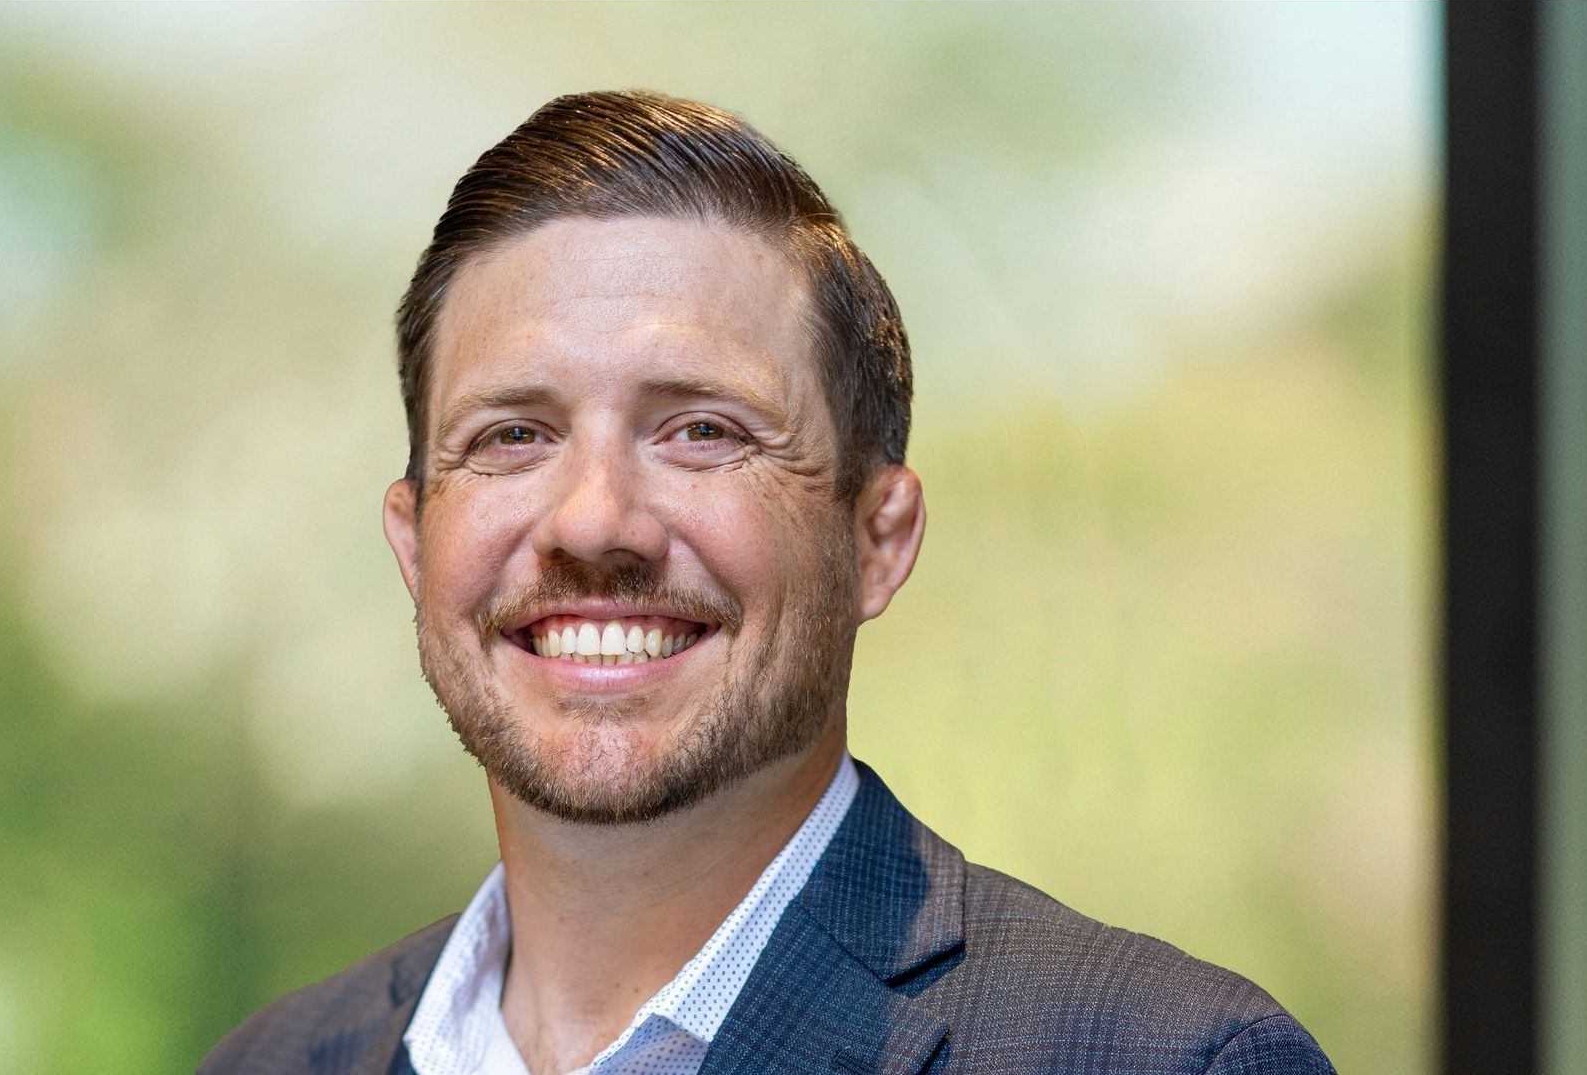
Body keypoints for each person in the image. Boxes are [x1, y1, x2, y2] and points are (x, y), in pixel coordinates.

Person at [200, 90, 1334, 1075]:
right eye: (511, 436)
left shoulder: (1165, 1060)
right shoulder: (273, 1063)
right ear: (414, 542)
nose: (595, 518)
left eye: (700, 430)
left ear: (877, 540)